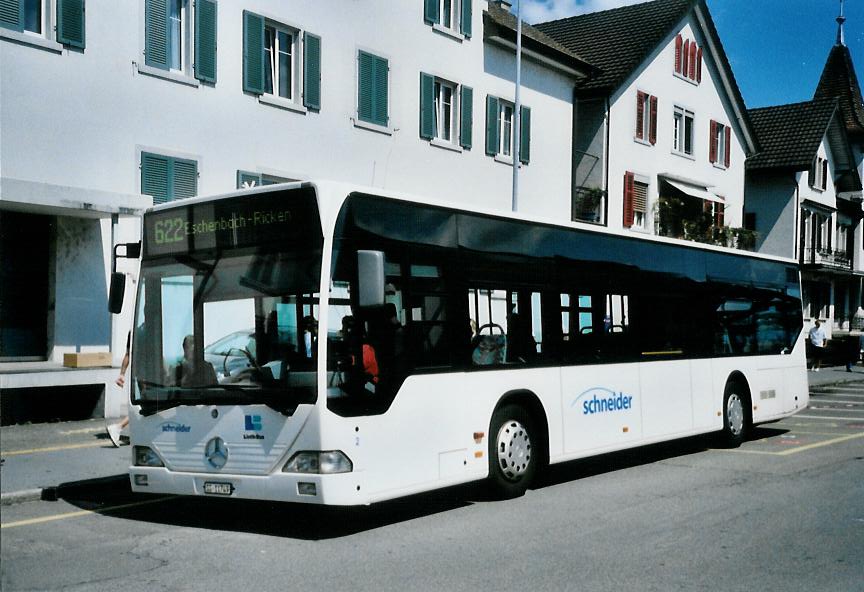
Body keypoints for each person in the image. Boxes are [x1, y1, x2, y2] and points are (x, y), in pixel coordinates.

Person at [107, 331, 131, 447]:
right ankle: (118, 427)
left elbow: (128, 354)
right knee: (145, 408)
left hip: (140, 374)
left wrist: (122, 374)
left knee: (145, 408)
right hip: (146, 374)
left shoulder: (134, 329)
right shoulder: (154, 328)